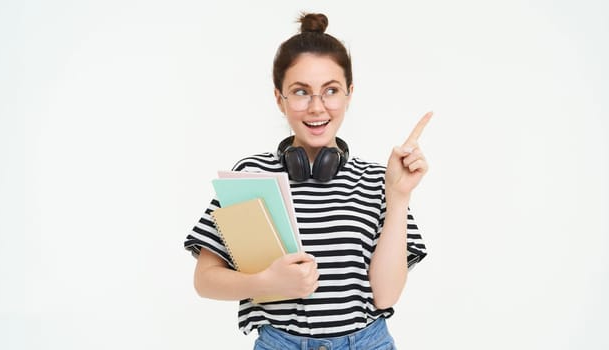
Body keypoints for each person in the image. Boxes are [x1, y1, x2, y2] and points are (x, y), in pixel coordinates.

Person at [183, 12, 432, 350]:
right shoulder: (251, 176)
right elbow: (205, 281)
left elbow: (386, 295)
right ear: (278, 98)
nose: (317, 107)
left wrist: (399, 196)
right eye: (301, 92)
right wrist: (267, 281)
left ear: (348, 94)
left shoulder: (379, 180)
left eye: (331, 90)